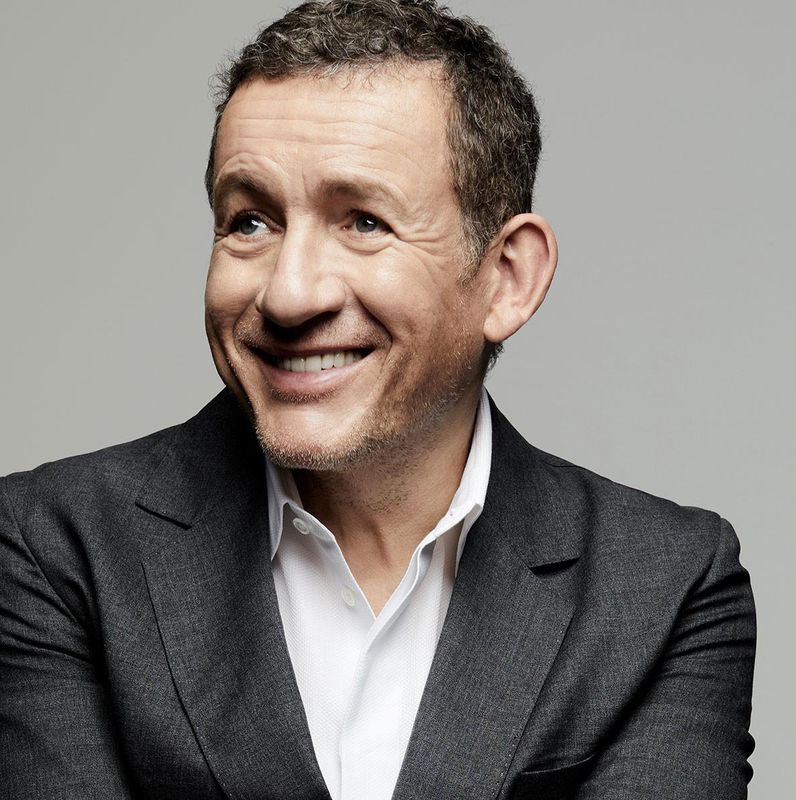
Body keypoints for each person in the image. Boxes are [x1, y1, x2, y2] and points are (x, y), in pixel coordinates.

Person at [0, 1, 755, 798]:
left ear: (507, 279)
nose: (289, 295)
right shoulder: (51, 549)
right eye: (249, 221)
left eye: (363, 222)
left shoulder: (664, 586)